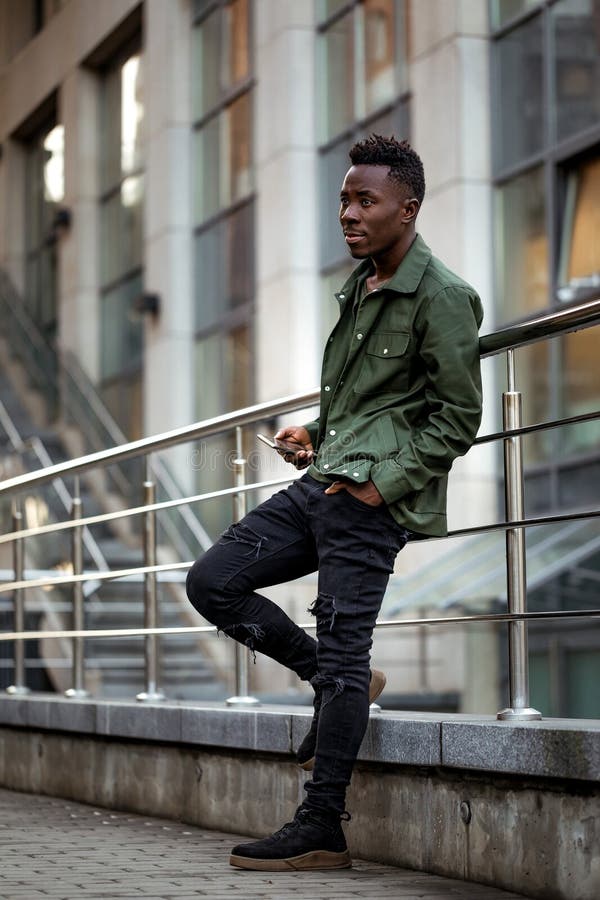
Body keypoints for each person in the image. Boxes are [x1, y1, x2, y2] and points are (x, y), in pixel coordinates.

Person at [186, 134, 483, 872]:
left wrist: (382, 484)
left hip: (370, 503)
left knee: (350, 654)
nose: (348, 213)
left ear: (406, 208)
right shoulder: (358, 286)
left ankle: (322, 825)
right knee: (212, 581)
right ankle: (321, 673)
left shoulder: (443, 297)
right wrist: (314, 430)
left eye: (364, 201)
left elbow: (457, 417)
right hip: (322, 483)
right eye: (344, 200)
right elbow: (358, 400)